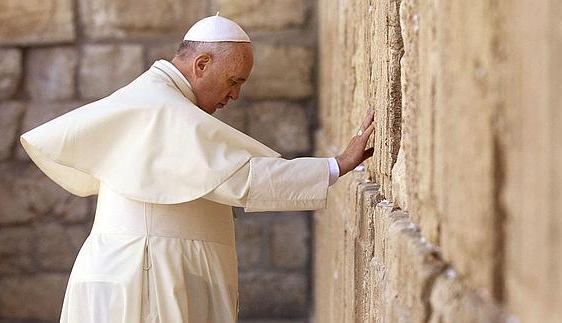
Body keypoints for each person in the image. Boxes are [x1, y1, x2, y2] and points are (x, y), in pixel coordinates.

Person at [19, 14, 375, 323]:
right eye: (234, 80)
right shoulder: (162, 110)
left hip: (140, 273)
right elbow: (242, 177)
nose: (235, 95)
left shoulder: (157, 99)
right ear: (202, 64)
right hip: (146, 281)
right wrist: (336, 165)